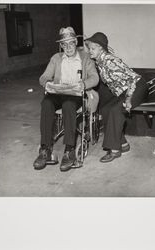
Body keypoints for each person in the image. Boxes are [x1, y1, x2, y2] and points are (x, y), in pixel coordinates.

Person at [33, 27, 99, 171]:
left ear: (76, 42)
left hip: (75, 94)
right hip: (58, 92)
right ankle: (45, 149)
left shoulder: (85, 58)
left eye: (71, 43)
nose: (68, 47)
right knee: (46, 103)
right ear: (61, 46)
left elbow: (95, 77)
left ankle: (69, 151)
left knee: (68, 105)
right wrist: (47, 83)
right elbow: (43, 77)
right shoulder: (56, 58)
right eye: (65, 44)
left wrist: (83, 84)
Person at [85, 32, 149, 163]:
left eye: (92, 48)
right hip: (124, 91)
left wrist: (128, 99)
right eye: (89, 48)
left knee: (116, 110)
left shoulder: (109, 60)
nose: (89, 51)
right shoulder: (100, 62)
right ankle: (123, 144)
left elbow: (132, 80)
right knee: (106, 109)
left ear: (101, 48)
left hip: (137, 87)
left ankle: (115, 150)